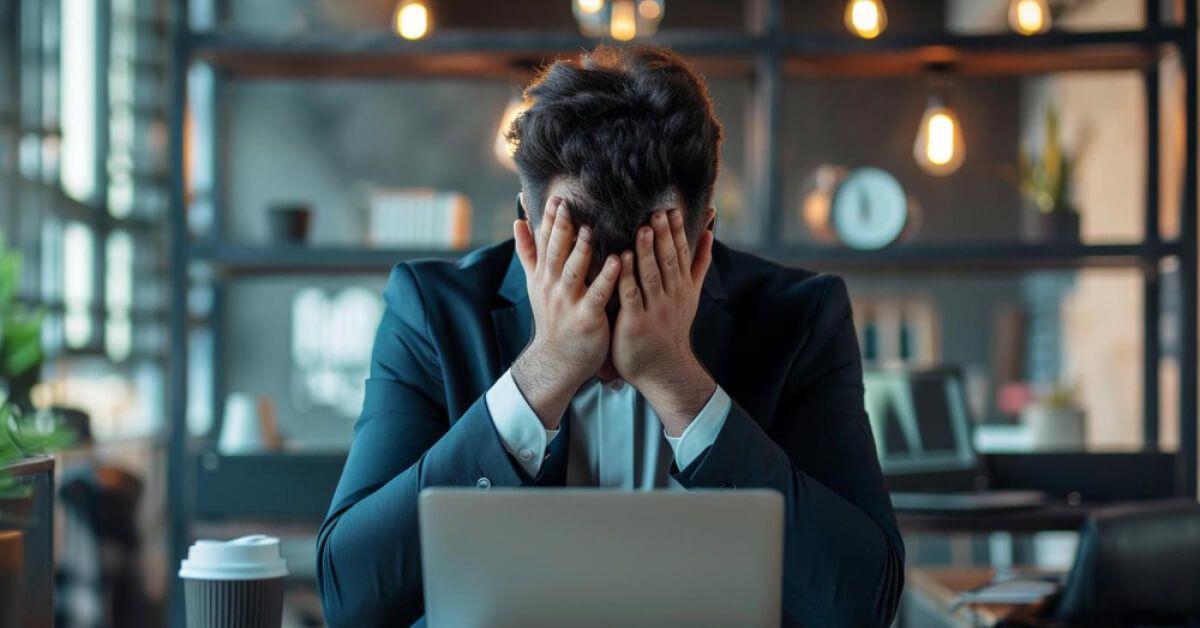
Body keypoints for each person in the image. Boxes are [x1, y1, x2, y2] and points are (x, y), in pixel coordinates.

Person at [316, 45, 904, 627]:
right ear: (528, 228)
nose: (608, 349)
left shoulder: (801, 318)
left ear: (703, 241)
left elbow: (862, 602)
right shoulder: (430, 311)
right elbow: (352, 596)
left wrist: (680, 384)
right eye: (584, 280)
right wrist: (542, 372)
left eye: (643, 291)